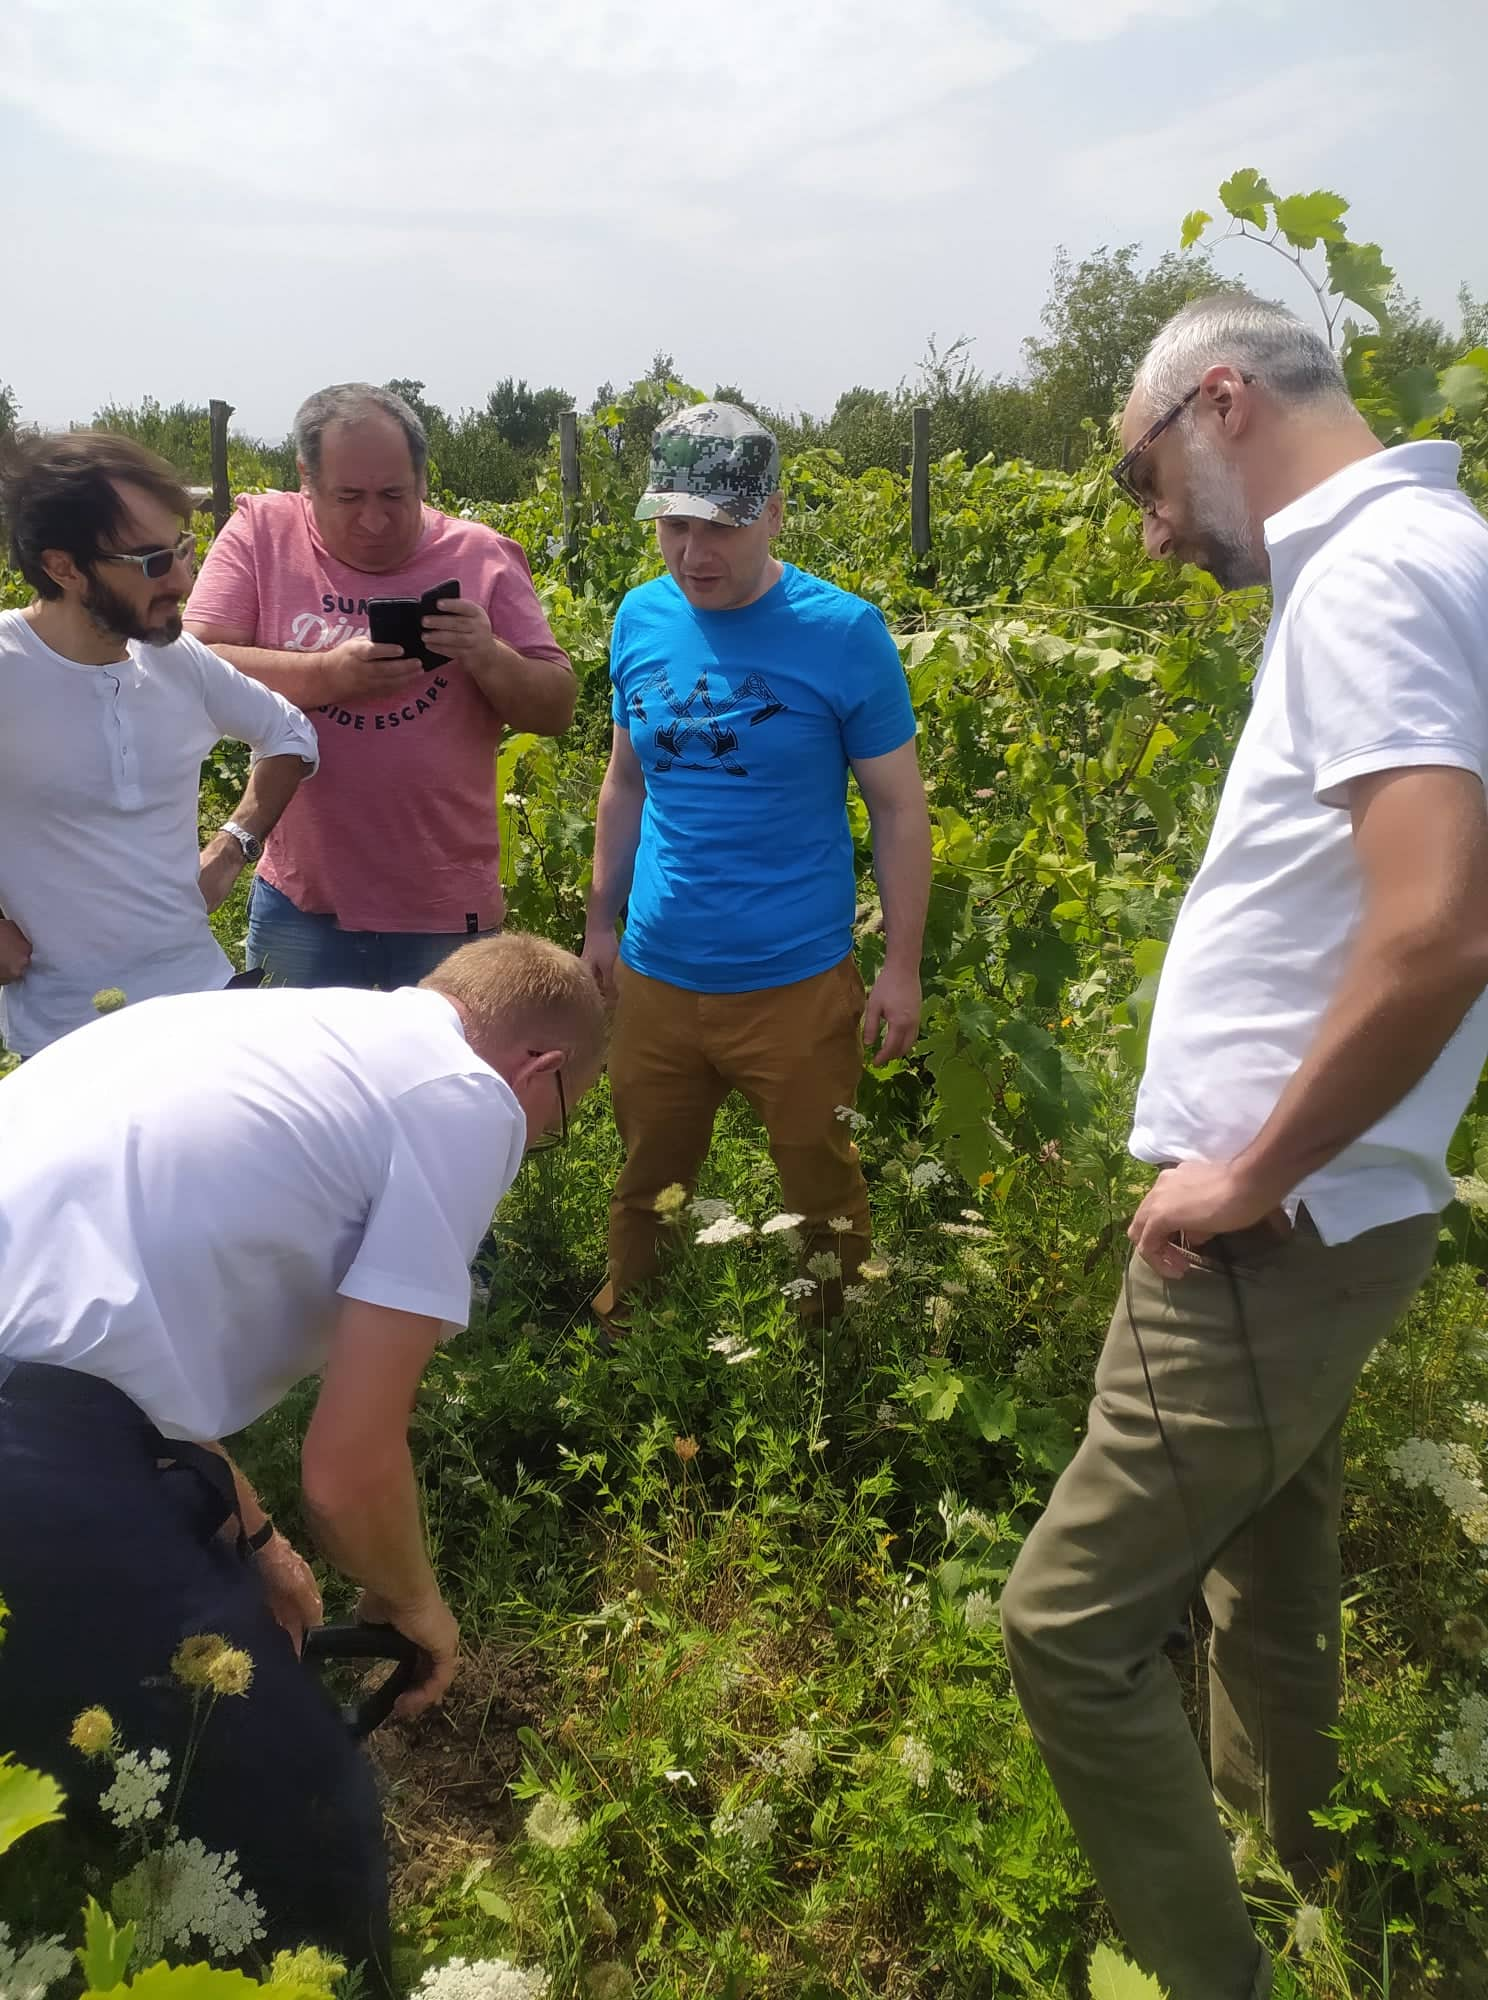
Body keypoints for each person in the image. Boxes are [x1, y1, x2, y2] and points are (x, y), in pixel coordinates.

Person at [998, 295, 1488, 2000]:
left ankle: (1214, 1977)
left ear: (1214, 404)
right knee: (1262, 1594)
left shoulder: (1365, 576)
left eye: (1140, 483)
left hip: (1275, 1234)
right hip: (1316, 1214)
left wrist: (1251, 1172)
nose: (1147, 537)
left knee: (1062, 1629)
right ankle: (1316, 1888)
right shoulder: (1438, 550)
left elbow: (1434, 929)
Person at [0, 932, 606, 1978]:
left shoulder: (240, 1028)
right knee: (303, 1817)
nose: (526, 1149)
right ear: (539, 1072)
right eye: (551, 1134)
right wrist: (416, 1601)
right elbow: (350, 1462)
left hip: (56, 1426)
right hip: (40, 1458)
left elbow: (100, 1319)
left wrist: (257, 1530)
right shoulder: (462, 1096)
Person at [581, 402, 931, 1321]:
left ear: (774, 513)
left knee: (822, 1187)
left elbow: (898, 808)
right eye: (676, 526)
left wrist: (899, 966)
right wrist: (600, 925)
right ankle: (635, 1337)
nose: (695, 553)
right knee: (646, 1178)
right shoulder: (639, 616)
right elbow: (625, 782)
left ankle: (830, 1360)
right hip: (658, 975)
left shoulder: (841, 632)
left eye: (722, 527)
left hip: (796, 983)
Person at [183, 382, 575, 989]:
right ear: (305, 479)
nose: (374, 519)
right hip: (303, 900)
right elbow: (192, 665)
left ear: (422, 478)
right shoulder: (261, 535)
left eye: (394, 494)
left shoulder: (482, 556)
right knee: (301, 1079)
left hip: (444, 907)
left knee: (438, 1081)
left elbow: (556, 708)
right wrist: (329, 674)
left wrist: (486, 654)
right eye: (348, 497)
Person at [0, 432, 317, 1056]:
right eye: (151, 561)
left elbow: (290, 735)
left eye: (180, 548)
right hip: (66, 1037)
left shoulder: (178, 662)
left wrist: (232, 849)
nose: (181, 576)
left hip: (204, 1005)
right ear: (64, 567)